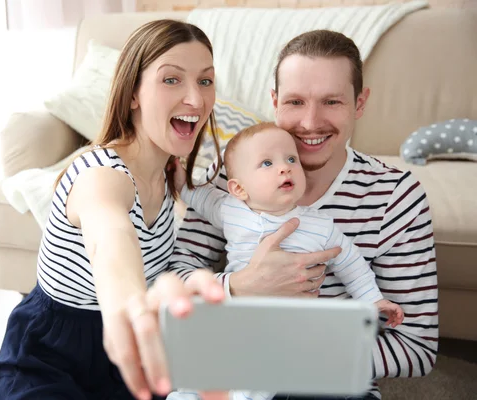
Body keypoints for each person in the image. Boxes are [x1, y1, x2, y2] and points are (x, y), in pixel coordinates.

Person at [168, 30, 438, 400]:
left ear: (359, 103)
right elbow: (172, 277)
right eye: (295, 102)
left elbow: (416, 349)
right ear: (275, 101)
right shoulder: (234, 173)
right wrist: (240, 285)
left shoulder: (395, 196)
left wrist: (290, 360)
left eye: (331, 101)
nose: (311, 122)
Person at [0, 19, 229, 400]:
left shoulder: (171, 176)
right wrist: (130, 306)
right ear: (133, 92)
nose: (196, 100)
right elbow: (109, 238)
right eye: (171, 80)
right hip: (50, 357)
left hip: (123, 363)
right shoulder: (101, 174)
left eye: (205, 81)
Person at [168, 122, 405, 400]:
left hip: (285, 326)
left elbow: (351, 262)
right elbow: (198, 196)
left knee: (267, 365)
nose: (285, 167)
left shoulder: (319, 225)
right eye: (267, 163)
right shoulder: (230, 209)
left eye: (291, 159)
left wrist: (373, 299)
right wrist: (178, 178)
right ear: (238, 188)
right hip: (235, 313)